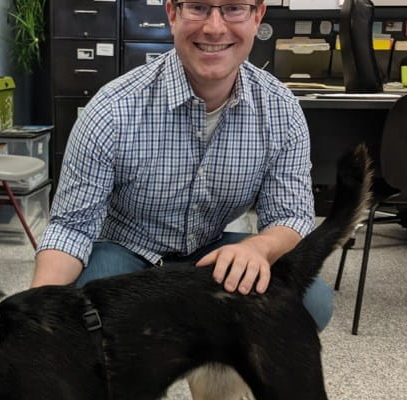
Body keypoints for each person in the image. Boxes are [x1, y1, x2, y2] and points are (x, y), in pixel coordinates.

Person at [32, 0, 334, 332]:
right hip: (127, 249)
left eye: (234, 8)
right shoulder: (112, 110)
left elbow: (291, 215)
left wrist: (259, 247)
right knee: (84, 316)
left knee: (309, 302)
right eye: (198, 7)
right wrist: (36, 316)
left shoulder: (281, 110)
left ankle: (212, 368)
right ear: (172, 14)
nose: (215, 27)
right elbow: (72, 228)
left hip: (211, 250)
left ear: (257, 15)